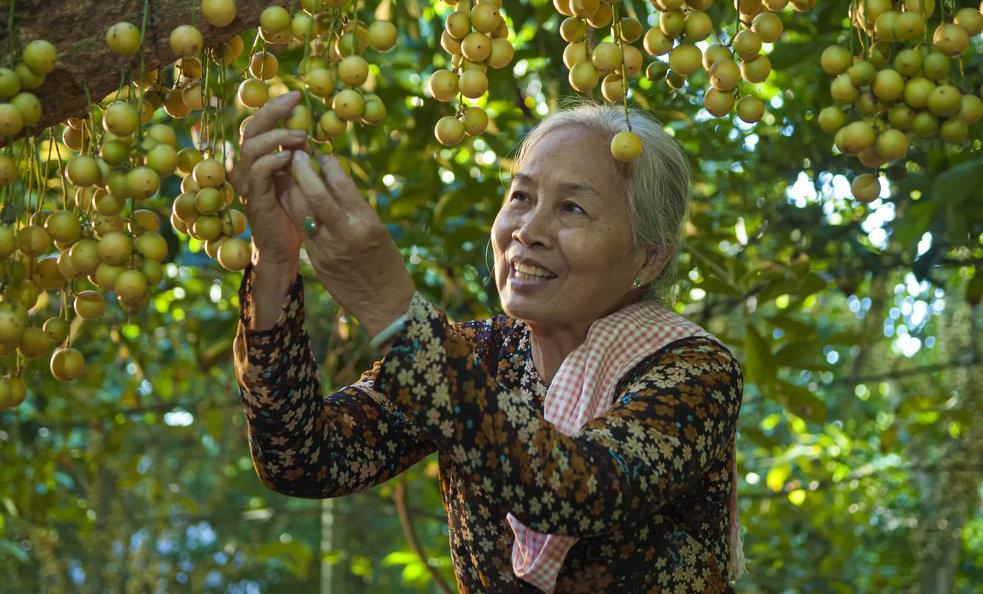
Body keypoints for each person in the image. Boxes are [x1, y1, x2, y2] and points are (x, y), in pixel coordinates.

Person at [232, 90, 744, 593]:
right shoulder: (480, 353)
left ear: (648, 259)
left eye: (572, 209)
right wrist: (274, 265)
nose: (528, 230)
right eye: (521, 196)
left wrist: (395, 314)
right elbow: (302, 458)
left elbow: (576, 492)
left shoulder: (693, 370)